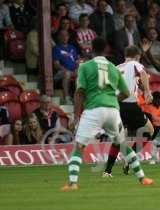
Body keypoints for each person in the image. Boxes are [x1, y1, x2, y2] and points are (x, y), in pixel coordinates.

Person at [62, 37, 153, 191]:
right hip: (113, 108)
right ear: (106, 50)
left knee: (79, 146)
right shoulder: (111, 67)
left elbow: (79, 92)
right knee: (123, 144)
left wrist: (76, 116)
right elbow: (126, 91)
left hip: (94, 109)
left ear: (91, 49)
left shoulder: (87, 66)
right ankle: (143, 178)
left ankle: (73, 183)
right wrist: (113, 99)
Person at [103, 45, 154, 176]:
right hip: (130, 105)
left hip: (115, 105)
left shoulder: (116, 67)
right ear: (137, 56)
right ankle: (130, 157)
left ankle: (107, 171)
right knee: (149, 130)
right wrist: (148, 92)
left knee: (118, 139)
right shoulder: (135, 64)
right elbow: (143, 73)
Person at [52, 29, 79, 104]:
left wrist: (77, 68)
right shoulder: (56, 48)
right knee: (66, 73)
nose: (64, 37)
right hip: (59, 73)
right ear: (58, 37)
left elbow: (77, 62)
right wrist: (67, 71)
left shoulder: (72, 48)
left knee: (80, 73)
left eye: (66, 35)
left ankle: (77, 98)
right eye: (62, 35)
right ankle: (66, 98)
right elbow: (56, 65)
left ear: (68, 37)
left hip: (72, 71)